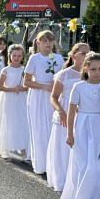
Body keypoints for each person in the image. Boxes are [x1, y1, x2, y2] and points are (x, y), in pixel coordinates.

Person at [60, 52, 100, 199]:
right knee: (84, 164)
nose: (97, 72)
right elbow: (71, 113)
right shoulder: (79, 87)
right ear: (85, 69)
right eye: (93, 69)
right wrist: (70, 134)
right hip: (83, 125)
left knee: (98, 165)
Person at [46, 43, 89, 193]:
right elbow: (54, 97)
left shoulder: (91, 74)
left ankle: (78, 181)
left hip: (83, 114)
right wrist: (61, 112)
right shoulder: (64, 74)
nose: (86, 56)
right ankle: (63, 181)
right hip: (65, 113)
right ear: (73, 56)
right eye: (83, 53)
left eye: (88, 53)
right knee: (63, 149)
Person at [24, 31, 64, 176]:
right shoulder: (34, 58)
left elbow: (63, 77)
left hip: (54, 96)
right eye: (45, 40)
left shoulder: (59, 58)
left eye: (51, 40)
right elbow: (26, 82)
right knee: (40, 129)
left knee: (54, 128)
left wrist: (56, 84)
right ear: (38, 42)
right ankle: (41, 164)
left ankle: (54, 163)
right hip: (38, 96)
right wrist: (43, 86)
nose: (48, 43)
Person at [0, 44, 29, 160]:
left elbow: (26, 85)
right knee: (7, 121)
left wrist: (23, 88)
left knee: (21, 121)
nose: (16, 58)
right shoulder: (6, 70)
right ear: (10, 56)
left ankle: (23, 149)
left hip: (20, 99)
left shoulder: (24, 70)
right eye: (14, 55)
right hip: (8, 99)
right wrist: (13, 89)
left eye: (19, 56)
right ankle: (5, 148)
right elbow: (0, 87)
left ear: (22, 57)